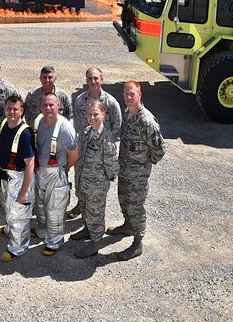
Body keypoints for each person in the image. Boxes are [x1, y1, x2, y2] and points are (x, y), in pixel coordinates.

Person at [107, 81, 166, 261]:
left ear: (140, 95)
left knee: (136, 206)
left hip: (138, 176)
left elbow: (159, 150)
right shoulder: (127, 114)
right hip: (124, 170)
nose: (128, 98)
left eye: (132, 94)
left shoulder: (146, 121)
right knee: (123, 200)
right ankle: (128, 225)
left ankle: (138, 241)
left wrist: (143, 165)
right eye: (126, 94)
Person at [69, 67, 122, 219]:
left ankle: (93, 220)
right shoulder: (80, 101)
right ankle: (81, 204)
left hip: (101, 149)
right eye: (90, 79)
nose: (93, 81)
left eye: (96, 78)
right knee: (80, 178)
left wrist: (104, 139)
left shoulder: (110, 102)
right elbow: (77, 125)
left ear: (101, 79)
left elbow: (117, 123)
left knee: (97, 185)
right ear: (86, 81)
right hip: (83, 147)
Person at [32, 92, 79, 256]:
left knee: (55, 209)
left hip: (56, 173)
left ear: (58, 106)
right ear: (40, 106)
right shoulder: (38, 121)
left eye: (52, 105)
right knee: (40, 205)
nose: (48, 108)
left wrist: (65, 169)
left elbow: (74, 153)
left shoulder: (65, 127)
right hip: (40, 171)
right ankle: (42, 231)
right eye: (45, 105)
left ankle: (55, 241)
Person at [72, 101, 119, 258]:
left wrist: (106, 179)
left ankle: (96, 242)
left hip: (97, 185)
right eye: (89, 114)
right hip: (83, 180)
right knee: (85, 209)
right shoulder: (86, 132)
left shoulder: (106, 138)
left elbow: (112, 165)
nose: (92, 117)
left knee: (96, 214)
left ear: (103, 115)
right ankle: (87, 229)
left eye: (95, 114)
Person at [0, 95, 35, 261]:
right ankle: (9, 230)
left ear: (22, 111)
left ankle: (17, 248)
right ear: (4, 110)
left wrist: (24, 191)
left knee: (19, 215)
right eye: (9, 109)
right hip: (5, 177)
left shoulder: (25, 134)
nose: (11, 112)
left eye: (15, 109)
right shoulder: (5, 124)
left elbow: (30, 164)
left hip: (19, 178)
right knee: (8, 208)